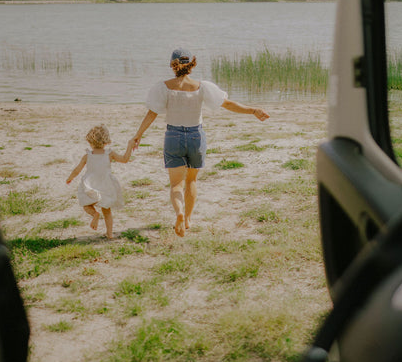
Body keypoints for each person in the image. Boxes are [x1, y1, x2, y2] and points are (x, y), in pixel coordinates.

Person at [132, 47, 270, 237]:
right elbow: (227, 104)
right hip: (196, 136)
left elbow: (152, 112)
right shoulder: (202, 86)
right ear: (191, 65)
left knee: (176, 185)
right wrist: (253, 110)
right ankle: (187, 220)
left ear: (173, 65)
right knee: (191, 180)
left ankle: (179, 212)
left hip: (173, 136)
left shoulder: (163, 87)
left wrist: (138, 134)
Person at [66, 124, 134, 239]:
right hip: (106, 185)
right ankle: (110, 234)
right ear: (106, 141)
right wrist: (129, 146)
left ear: (90, 142)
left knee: (86, 205)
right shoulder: (109, 154)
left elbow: (77, 169)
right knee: (107, 211)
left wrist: (70, 177)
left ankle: (94, 214)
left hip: (91, 185)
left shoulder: (87, 155)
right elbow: (124, 159)